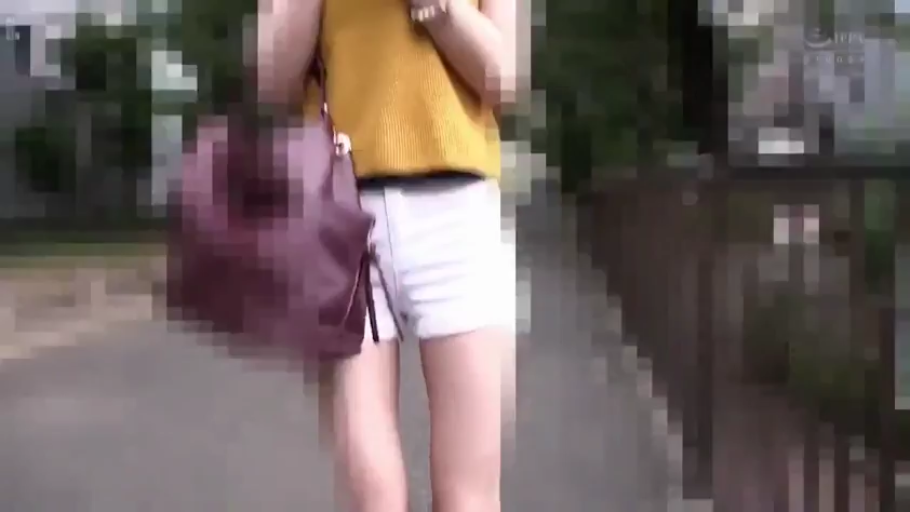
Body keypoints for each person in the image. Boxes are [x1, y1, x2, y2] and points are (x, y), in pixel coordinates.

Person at [256, 0, 518, 510]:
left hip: (457, 212)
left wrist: (439, 8)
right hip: (339, 212)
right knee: (370, 497)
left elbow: (504, 80)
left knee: (468, 497)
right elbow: (272, 81)